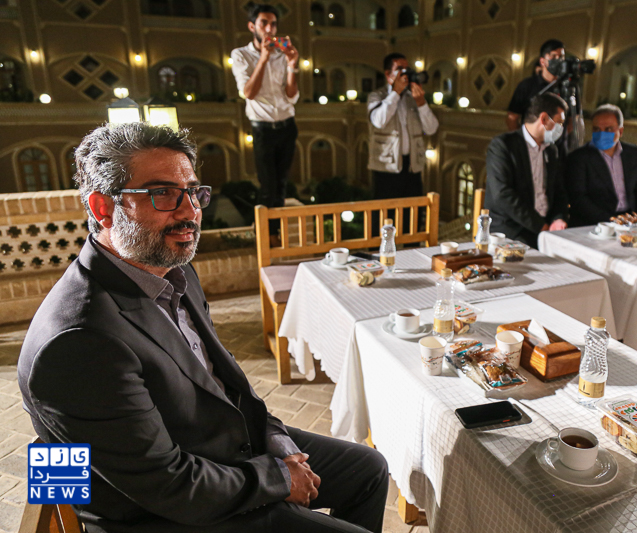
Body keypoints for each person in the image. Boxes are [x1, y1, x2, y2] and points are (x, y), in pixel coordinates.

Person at [17, 123, 389, 533]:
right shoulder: (78, 340)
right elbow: (165, 485)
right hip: (161, 513)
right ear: (104, 208)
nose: (190, 211)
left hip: (210, 448)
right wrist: (278, 478)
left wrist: (278, 442)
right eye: (163, 194)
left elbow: (226, 384)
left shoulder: (172, 269)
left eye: (193, 192)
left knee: (368, 469)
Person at [231, 3, 299, 241]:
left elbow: (291, 95)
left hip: (287, 125)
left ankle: (276, 235)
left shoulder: (282, 55)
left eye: (273, 24)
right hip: (263, 129)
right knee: (267, 185)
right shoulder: (240, 55)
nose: (270, 28)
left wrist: (292, 64)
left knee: (281, 184)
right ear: (252, 26)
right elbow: (249, 93)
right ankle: (265, 236)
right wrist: (264, 58)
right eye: (264, 23)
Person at [485, 92, 569, 248]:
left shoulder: (551, 150)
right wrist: (541, 227)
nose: (561, 129)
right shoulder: (503, 146)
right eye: (559, 123)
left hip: (547, 226)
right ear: (544, 119)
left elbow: (559, 191)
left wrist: (558, 218)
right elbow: (502, 194)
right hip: (512, 228)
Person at [367, 53, 438, 233]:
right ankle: (380, 249)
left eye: (407, 69)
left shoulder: (413, 97)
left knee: (412, 217)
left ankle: (411, 249)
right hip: (386, 168)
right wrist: (395, 93)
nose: (405, 73)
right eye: (399, 69)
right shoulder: (377, 96)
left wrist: (421, 103)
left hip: (412, 167)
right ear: (388, 74)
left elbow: (431, 128)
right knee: (383, 217)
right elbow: (378, 121)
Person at [566, 104, 637, 227]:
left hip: (628, 219)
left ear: (620, 131)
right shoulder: (579, 157)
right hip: (594, 222)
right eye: (596, 129)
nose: (601, 134)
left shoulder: (631, 153)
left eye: (608, 129)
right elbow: (579, 198)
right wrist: (610, 220)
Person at [506, 40, 565, 131]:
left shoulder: (567, 87)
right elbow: (512, 118)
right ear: (542, 61)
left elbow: (573, 120)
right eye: (553, 56)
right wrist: (522, 138)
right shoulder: (526, 86)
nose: (558, 61)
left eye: (561, 57)